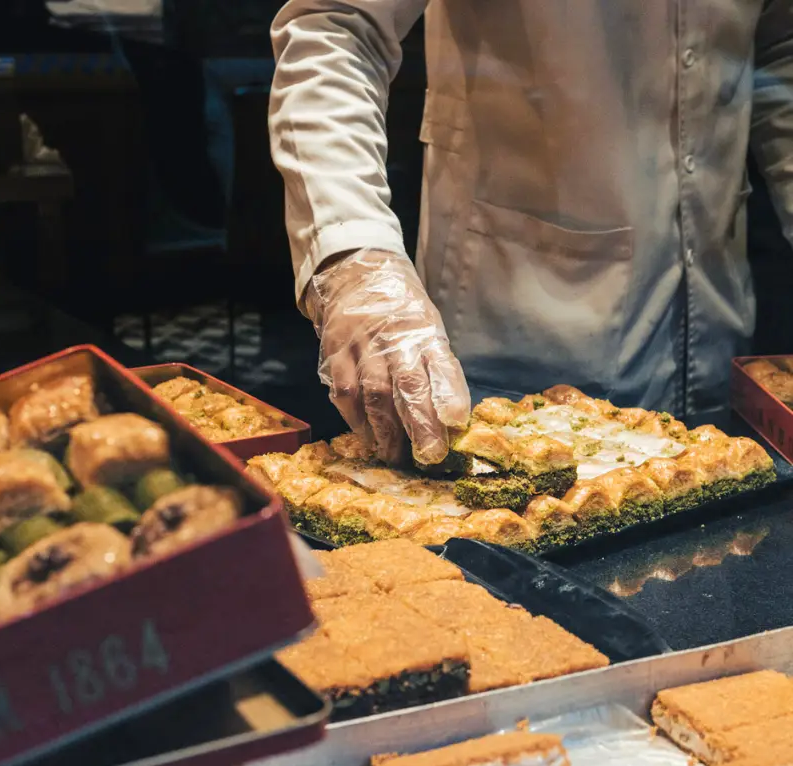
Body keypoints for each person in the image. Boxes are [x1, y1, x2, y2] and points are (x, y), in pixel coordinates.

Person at [269, 1, 793, 466]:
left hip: (720, 333)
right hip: (513, 331)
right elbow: (337, 26)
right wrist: (356, 255)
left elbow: (780, 46)